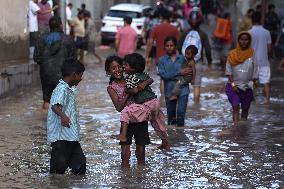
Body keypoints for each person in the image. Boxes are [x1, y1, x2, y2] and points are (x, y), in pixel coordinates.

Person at [104, 56, 152, 168]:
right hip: (126, 122)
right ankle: (125, 180)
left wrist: (142, 85)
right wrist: (128, 92)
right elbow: (119, 107)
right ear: (108, 71)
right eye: (113, 68)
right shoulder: (111, 88)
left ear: (124, 67)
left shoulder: (131, 78)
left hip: (140, 118)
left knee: (141, 152)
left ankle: (140, 177)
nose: (117, 70)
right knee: (125, 154)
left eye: (120, 67)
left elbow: (148, 80)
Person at [47, 59, 86, 174]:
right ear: (74, 75)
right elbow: (55, 106)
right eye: (80, 75)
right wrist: (63, 116)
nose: (81, 78)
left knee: (80, 166)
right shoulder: (62, 89)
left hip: (71, 137)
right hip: (61, 138)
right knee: (58, 170)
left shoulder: (68, 89)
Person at [34, 16, 77, 110]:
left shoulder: (41, 39)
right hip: (63, 76)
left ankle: (44, 121)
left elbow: (36, 58)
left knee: (47, 100)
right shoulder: (69, 40)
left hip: (46, 75)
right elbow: (73, 61)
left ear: (49, 26)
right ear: (61, 26)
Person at [178, 9, 212, 104]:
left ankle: (183, 105)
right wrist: (209, 62)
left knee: (183, 84)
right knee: (197, 86)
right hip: (197, 62)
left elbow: (179, 47)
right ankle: (196, 106)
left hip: (184, 63)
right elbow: (208, 49)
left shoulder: (184, 33)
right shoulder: (203, 34)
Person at [158, 36, 191, 127]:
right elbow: (163, 75)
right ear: (164, 47)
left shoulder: (182, 59)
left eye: (171, 45)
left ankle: (181, 135)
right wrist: (179, 72)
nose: (169, 47)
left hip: (183, 89)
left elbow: (188, 73)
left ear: (175, 47)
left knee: (181, 114)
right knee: (171, 117)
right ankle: (172, 138)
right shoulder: (162, 60)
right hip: (169, 90)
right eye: (167, 46)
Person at [146, 9, 180, 95]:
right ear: (170, 18)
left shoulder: (156, 28)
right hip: (172, 58)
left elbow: (150, 42)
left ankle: (163, 98)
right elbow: (178, 44)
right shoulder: (174, 29)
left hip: (160, 58)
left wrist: (147, 56)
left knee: (162, 79)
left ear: (161, 17)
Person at [225, 31, 258, 122]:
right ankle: (236, 129)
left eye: (246, 39)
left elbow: (255, 69)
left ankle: (243, 130)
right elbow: (229, 71)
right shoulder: (232, 54)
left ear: (249, 41)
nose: (244, 41)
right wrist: (233, 85)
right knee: (235, 107)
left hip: (247, 87)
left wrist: (253, 83)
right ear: (238, 40)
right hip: (233, 87)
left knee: (245, 109)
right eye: (242, 39)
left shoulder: (252, 54)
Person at [249, 12, 272, 104]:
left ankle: (252, 99)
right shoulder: (267, 32)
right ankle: (267, 101)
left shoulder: (248, 33)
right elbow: (269, 48)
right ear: (261, 20)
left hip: (252, 62)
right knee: (266, 82)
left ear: (252, 20)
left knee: (252, 81)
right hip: (264, 62)